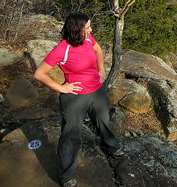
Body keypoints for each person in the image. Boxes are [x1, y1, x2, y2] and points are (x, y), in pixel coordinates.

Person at [34, 12, 123, 187]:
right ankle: (66, 176)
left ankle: (111, 147)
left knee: (103, 122)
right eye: (88, 27)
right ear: (77, 30)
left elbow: (98, 50)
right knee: (71, 135)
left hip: (97, 91)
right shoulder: (63, 48)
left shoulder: (88, 39)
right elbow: (39, 74)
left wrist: (101, 70)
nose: (91, 29)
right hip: (75, 97)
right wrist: (61, 88)